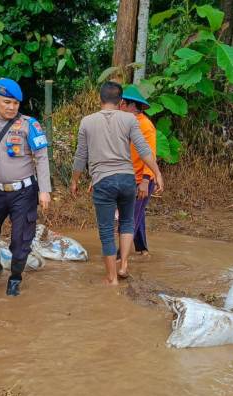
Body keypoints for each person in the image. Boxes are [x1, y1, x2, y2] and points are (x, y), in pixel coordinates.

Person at [70, 81, 165, 286]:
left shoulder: (87, 121)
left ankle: (112, 278)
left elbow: (81, 156)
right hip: (127, 179)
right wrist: (157, 173)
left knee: (106, 230)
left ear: (100, 99)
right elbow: (144, 149)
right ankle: (123, 266)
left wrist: (74, 180)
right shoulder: (130, 120)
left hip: (103, 180)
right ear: (120, 101)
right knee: (127, 222)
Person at [0, 78, 51, 296]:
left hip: (24, 192)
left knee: (20, 239)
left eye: (15, 103)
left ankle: (15, 277)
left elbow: (42, 157)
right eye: (7, 102)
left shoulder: (30, 125)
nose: (11, 107)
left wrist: (44, 190)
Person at [118, 85, 157, 258]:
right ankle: (143, 250)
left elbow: (150, 154)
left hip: (142, 179)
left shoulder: (145, 125)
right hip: (128, 178)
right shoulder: (127, 123)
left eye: (121, 104)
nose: (119, 107)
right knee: (136, 215)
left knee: (130, 218)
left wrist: (146, 180)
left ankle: (120, 257)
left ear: (130, 106)